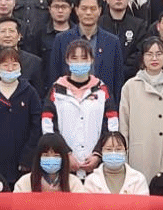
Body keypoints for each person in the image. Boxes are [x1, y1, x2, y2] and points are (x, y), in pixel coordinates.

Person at [42, 40, 118, 179]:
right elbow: (48, 127)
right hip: (65, 166)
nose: (79, 62)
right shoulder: (56, 90)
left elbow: (111, 125)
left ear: (92, 60)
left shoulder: (102, 89)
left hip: (95, 168)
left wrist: (98, 154)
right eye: (74, 58)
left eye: (84, 58)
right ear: (67, 60)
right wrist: (66, 153)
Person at [119, 37, 163, 181]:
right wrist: (124, 153)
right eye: (149, 54)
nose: (154, 58)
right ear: (142, 57)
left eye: (159, 54)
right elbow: (123, 124)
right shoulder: (131, 86)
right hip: (140, 152)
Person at [0, 47, 43, 185]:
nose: (10, 69)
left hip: (22, 160)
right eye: (5, 65)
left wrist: (28, 156)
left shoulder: (29, 92)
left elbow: (36, 126)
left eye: (14, 65)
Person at [48, 0, 125, 101]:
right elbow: (54, 75)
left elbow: (118, 80)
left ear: (100, 11)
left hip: (103, 103)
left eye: (93, 9)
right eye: (84, 9)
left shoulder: (112, 42)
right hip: (69, 102)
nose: (88, 13)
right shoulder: (62, 40)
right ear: (76, 10)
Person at [0, 17, 45, 97]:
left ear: (19, 36)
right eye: (3, 31)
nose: (7, 35)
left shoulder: (34, 62)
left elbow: (40, 95)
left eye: (11, 31)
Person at [100, 0, 148, 76]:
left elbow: (140, 52)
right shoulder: (98, 24)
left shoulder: (139, 25)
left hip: (130, 77)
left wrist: (122, 70)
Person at [13, 132, 84, 192]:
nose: (51, 159)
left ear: (63, 159)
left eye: (56, 156)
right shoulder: (25, 182)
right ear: (38, 158)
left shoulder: (74, 183)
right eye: (46, 155)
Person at [39, 0, 74, 70]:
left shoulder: (79, 33)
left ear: (70, 9)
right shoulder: (40, 34)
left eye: (64, 7)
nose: (60, 11)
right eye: (56, 7)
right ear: (49, 9)